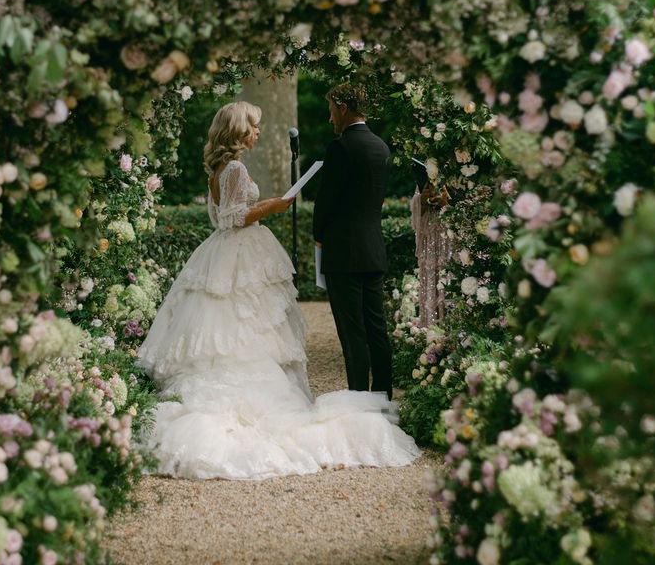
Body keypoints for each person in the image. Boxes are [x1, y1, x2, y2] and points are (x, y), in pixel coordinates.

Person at [136, 101, 420, 480]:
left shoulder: (220, 167)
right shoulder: (235, 167)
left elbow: (225, 214)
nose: (257, 133)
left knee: (231, 326)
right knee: (248, 321)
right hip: (238, 250)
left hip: (220, 252)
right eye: (253, 127)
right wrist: (277, 204)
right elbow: (234, 217)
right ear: (237, 131)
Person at [312, 83, 393, 399]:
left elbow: (325, 202)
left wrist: (319, 236)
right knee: (377, 330)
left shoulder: (340, 147)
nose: (330, 115)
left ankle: (359, 404)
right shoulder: (381, 147)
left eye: (331, 107)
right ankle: (383, 399)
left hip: (343, 254)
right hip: (373, 250)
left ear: (343, 107)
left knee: (352, 334)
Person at [410, 179, 453, 326]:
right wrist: (422, 200)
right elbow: (416, 219)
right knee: (432, 285)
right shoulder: (429, 174)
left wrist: (445, 205)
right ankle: (433, 337)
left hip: (451, 240)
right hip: (431, 239)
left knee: (450, 283)